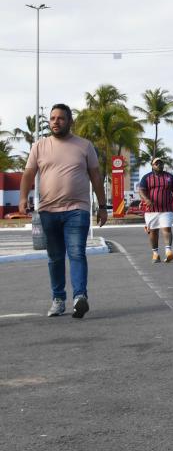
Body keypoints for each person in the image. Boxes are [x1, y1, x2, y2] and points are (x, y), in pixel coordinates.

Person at [19, 104, 106, 319]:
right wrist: (23, 198)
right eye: (53, 118)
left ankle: (79, 297)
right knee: (55, 257)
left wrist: (102, 207)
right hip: (48, 210)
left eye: (61, 118)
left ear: (70, 121)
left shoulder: (85, 146)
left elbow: (96, 177)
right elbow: (29, 174)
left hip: (78, 209)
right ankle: (58, 300)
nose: (56, 122)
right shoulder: (39, 146)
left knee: (76, 252)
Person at [139, 158, 173, 263]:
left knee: (167, 229)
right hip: (151, 210)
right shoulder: (146, 178)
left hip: (167, 209)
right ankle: (155, 254)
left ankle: (168, 251)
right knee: (153, 232)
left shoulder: (170, 177)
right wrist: (147, 199)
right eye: (156, 163)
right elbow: (141, 191)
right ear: (152, 165)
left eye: (161, 163)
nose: (159, 165)